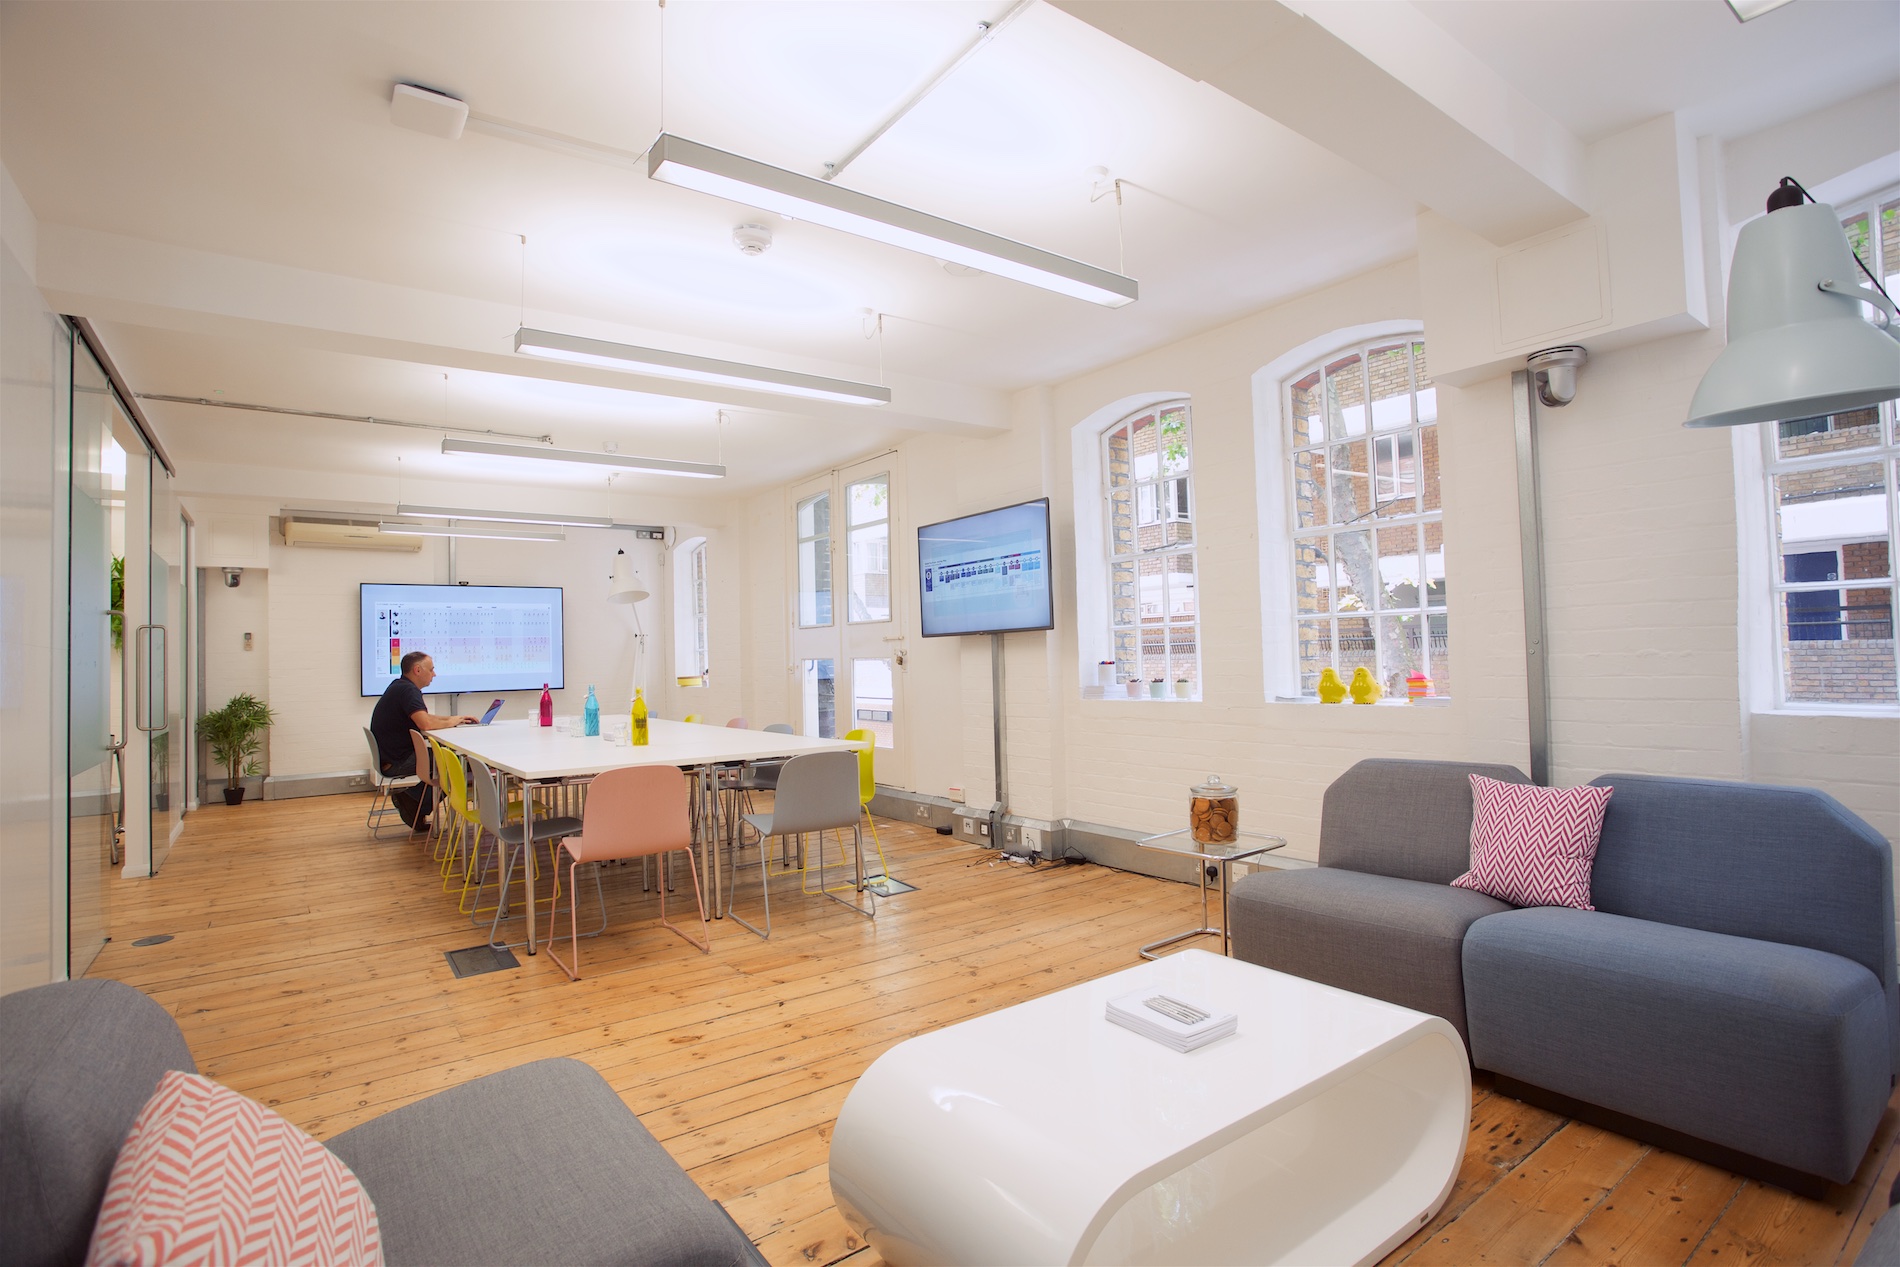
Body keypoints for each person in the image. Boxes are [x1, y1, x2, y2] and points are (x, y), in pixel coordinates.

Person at [369, 651, 475, 830]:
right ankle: (413, 802)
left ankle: (413, 801)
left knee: (452, 761)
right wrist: (452, 721)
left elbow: (425, 717)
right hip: (399, 760)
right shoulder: (408, 690)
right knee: (460, 764)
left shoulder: (400, 686)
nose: (434, 674)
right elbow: (425, 723)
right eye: (431, 669)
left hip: (392, 756)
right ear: (417, 670)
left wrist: (455, 718)